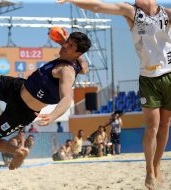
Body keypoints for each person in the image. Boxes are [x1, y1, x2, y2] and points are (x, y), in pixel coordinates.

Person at [56, 0, 171, 189]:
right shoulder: (131, 11)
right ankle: (149, 170)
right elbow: (98, 7)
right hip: (149, 77)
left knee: (165, 125)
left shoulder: (166, 13)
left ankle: (157, 164)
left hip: (169, 75)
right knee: (152, 126)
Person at [0, 30, 91, 170]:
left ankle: (18, 151)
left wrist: (53, 115)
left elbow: (67, 98)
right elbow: (85, 67)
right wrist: (62, 40)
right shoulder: (79, 63)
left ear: (77, 54)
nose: (65, 46)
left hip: (20, 112)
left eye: (70, 46)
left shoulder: (67, 71)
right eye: (67, 42)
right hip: (16, 87)